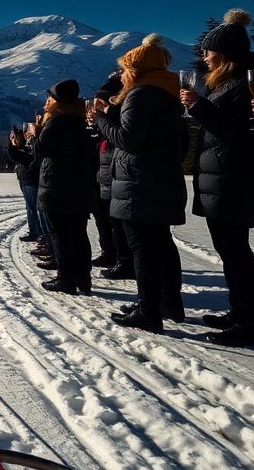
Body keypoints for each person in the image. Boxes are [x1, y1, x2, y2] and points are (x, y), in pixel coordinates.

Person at [182, 10, 254, 347]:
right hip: (224, 180)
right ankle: (239, 313)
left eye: (208, 51)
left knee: (237, 253)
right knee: (230, 252)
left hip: (234, 181)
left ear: (225, 53)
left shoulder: (245, 85)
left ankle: (251, 325)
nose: (203, 56)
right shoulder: (229, 83)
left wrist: (201, 108)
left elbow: (240, 136)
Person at [93, 34, 187, 333]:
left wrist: (100, 119)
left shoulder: (141, 94)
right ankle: (169, 302)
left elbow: (127, 139)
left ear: (135, 68)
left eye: (124, 69)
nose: (121, 74)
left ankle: (149, 309)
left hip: (139, 182)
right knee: (162, 244)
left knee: (143, 249)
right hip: (162, 179)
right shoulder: (169, 93)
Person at [31, 79, 96, 294]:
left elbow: (42, 149)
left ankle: (65, 279)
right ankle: (83, 279)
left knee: (59, 234)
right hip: (79, 185)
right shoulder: (78, 120)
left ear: (57, 101)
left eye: (49, 97)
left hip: (56, 185)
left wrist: (36, 132)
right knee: (78, 233)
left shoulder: (56, 122)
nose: (46, 101)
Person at [92, 73, 134, 279]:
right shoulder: (106, 122)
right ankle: (112, 254)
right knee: (107, 221)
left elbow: (119, 142)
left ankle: (124, 260)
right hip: (106, 177)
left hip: (118, 178)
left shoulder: (118, 121)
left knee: (118, 225)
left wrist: (101, 119)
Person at [7, 124, 43, 243]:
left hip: (30, 181)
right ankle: (35, 231)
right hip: (24, 180)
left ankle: (38, 233)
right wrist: (12, 145)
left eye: (16, 138)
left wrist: (12, 147)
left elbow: (18, 157)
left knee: (34, 208)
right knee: (30, 208)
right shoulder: (23, 148)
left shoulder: (28, 148)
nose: (15, 140)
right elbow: (14, 156)